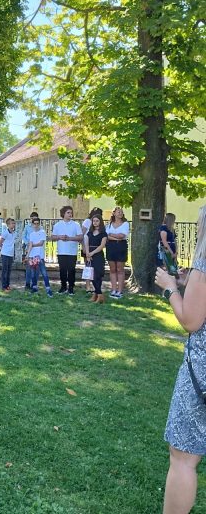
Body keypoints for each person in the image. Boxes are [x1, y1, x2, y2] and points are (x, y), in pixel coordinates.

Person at [155, 205, 206, 514]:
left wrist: (171, 289)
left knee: (183, 456)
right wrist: (191, 285)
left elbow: (191, 320)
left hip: (201, 371)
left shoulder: (204, 262)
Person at [51, 206, 83, 295]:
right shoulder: (57, 225)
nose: (70, 214)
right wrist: (60, 237)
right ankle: (63, 287)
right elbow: (53, 237)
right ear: (63, 214)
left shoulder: (76, 225)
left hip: (72, 252)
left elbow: (80, 237)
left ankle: (71, 287)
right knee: (62, 270)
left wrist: (70, 238)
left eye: (71, 212)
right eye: (68, 212)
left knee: (71, 270)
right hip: (61, 251)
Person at [106, 206, 130, 299]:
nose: (120, 213)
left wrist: (112, 235)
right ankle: (113, 289)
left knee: (120, 269)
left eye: (121, 212)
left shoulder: (125, 224)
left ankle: (120, 290)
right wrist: (115, 237)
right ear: (114, 213)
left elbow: (122, 236)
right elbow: (106, 236)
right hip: (110, 246)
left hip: (121, 246)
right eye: (118, 212)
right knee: (112, 269)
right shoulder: (109, 224)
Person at [84, 214, 108, 303]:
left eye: (97, 221)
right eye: (93, 221)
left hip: (98, 255)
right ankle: (97, 294)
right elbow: (86, 244)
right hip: (89, 255)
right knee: (91, 275)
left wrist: (92, 253)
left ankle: (99, 295)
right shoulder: (89, 233)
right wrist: (88, 254)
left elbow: (102, 246)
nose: (95, 222)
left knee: (97, 275)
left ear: (100, 222)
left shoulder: (103, 233)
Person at [27, 217, 53, 297]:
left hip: (39, 256)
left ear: (39, 224)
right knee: (33, 273)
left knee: (44, 273)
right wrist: (28, 254)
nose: (36, 225)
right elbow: (30, 244)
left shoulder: (42, 232)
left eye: (37, 223)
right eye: (34, 223)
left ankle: (48, 289)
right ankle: (34, 287)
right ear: (32, 224)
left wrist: (33, 245)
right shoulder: (31, 234)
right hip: (32, 255)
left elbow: (41, 243)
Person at [82, 208, 103, 293]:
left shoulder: (100, 226)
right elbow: (82, 234)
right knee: (88, 267)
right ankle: (88, 286)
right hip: (87, 246)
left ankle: (95, 286)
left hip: (96, 248)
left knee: (96, 268)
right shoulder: (87, 221)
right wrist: (84, 247)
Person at [22, 211, 39, 290]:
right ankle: (27, 283)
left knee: (36, 267)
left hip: (37, 249)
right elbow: (23, 236)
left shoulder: (40, 227)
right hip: (29, 249)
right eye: (31, 218)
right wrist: (27, 243)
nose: (32, 220)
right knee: (29, 267)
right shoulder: (27, 227)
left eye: (34, 218)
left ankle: (34, 284)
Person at [0, 218, 17, 292]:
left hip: (11, 254)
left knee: (9, 271)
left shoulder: (14, 233)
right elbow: (0, 243)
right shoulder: (5, 232)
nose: (13, 225)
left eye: (14, 223)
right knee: (5, 271)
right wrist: (5, 249)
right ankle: (3, 287)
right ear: (8, 225)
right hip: (5, 254)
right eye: (12, 223)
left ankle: (7, 285)